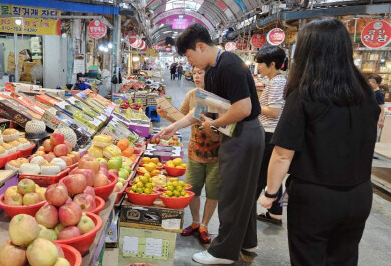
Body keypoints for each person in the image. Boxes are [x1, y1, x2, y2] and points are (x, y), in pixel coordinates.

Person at [259, 19, 379, 266]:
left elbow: (283, 154)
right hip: (359, 194)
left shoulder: (305, 94)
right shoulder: (364, 93)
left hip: (315, 196)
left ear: (306, 53)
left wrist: (270, 193)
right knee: (344, 258)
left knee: (308, 258)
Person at [158, 23, 264, 264]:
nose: (190, 63)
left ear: (200, 46)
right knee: (242, 193)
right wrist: (173, 126)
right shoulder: (213, 68)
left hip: (244, 134)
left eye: (188, 55)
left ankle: (223, 253)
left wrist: (215, 125)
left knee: (232, 194)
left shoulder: (230, 66)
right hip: (236, 134)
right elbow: (202, 109)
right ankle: (246, 243)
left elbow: (243, 108)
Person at [157, 66, 221, 244]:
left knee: (213, 192)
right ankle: (195, 222)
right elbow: (181, 118)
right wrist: (167, 116)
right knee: (192, 189)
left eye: (201, 73)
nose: (197, 76)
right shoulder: (192, 94)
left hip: (217, 154)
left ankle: (205, 225)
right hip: (195, 152)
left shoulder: (219, 96)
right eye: (194, 73)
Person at [253, 45, 287, 225]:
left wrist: (253, 106)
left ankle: (247, 210)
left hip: (269, 134)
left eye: (260, 63)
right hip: (270, 132)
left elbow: (274, 111)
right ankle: (276, 213)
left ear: (272, 64)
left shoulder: (277, 82)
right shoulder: (275, 81)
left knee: (260, 174)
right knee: (273, 175)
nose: (258, 66)